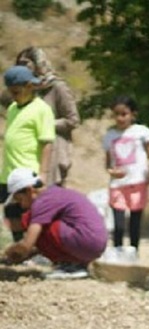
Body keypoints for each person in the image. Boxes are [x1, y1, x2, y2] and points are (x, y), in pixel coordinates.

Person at [2, 168, 108, 279]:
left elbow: (27, 245)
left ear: (29, 190)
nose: (21, 206)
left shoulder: (42, 201)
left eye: (20, 199)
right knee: (39, 225)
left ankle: (69, 266)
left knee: (32, 222)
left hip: (86, 242)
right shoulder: (54, 193)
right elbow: (42, 245)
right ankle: (75, 265)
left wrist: (9, 253)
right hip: (93, 245)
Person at [1, 65, 55, 242]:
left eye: (17, 92)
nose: (14, 96)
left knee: (28, 213)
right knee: (10, 212)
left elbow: (46, 141)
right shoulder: (12, 109)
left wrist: (43, 173)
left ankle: (34, 247)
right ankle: (18, 248)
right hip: (9, 172)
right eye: (12, 92)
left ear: (30, 86)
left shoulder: (42, 109)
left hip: (27, 171)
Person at [15, 47, 81, 186]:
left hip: (53, 152)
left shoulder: (57, 87)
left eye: (26, 64)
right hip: (27, 152)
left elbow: (73, 120)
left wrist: (45, 124)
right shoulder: (24, 90)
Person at [102, 96, 149, 254]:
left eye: (124, 114)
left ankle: (134, 252)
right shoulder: (110, 135)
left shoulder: (142, 132)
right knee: (118, 224)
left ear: (133, 114)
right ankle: (117, 252)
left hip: (137, 182)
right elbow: (107, 163)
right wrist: (112, 172)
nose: (120, 118)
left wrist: (148, 169)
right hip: (117, 184)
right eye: (116, 114)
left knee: (135, 222)